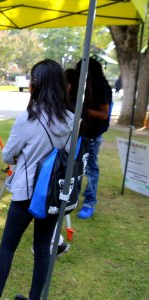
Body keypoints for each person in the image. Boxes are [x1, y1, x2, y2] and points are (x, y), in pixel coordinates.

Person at [0, 59, 74, 300]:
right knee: (43, 248)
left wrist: (23, 156)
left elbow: (7, 155)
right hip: (52, 193)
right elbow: (70, 156)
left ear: (36, 84)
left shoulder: (28, 117)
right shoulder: (72, 119)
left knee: (8, 244)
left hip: (26, 191)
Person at [76, 58, 112, 219]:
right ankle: (72, 198)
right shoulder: (82, 86)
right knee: (75, 167)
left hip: (93, 134)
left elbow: (104, 115)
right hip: (80, 133)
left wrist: (82, 111)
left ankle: (89, 202)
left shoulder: (101, 87)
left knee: (90, 169)